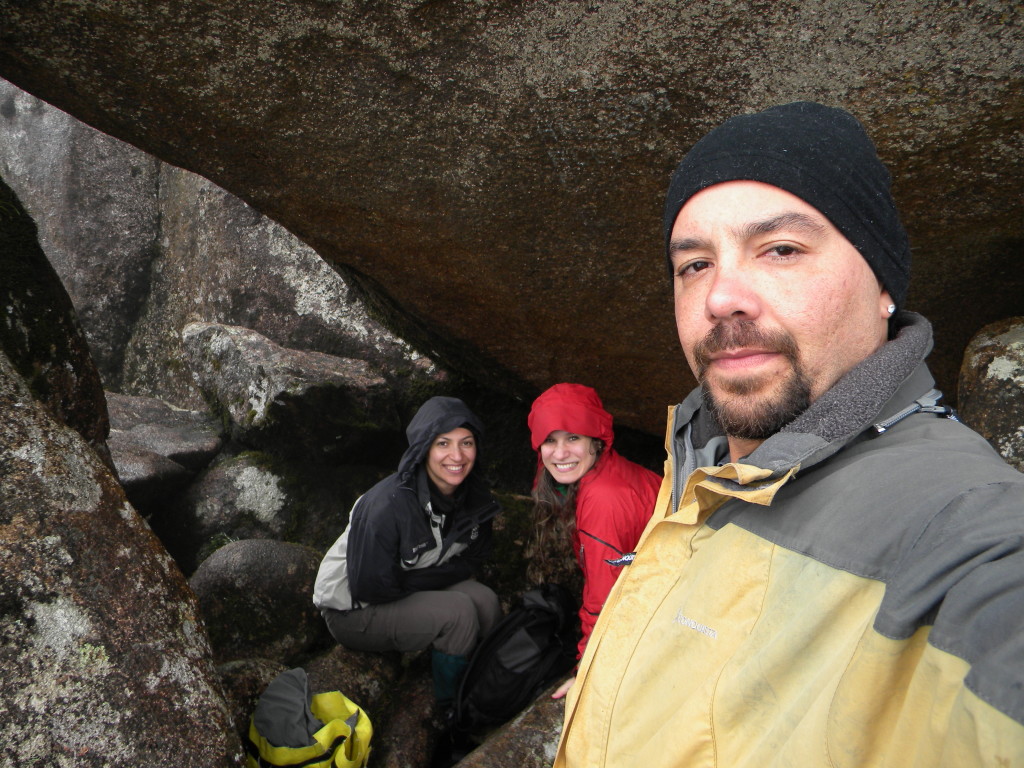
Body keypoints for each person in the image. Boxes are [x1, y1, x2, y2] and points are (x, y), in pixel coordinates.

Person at [555, 102, 1024, 766]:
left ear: (882, 283)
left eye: (780, 249)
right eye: (694, 264)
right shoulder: (698, 458)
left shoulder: (968, 532)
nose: (722, 297)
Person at [313, 396, 501, 705]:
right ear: (424, 448)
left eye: (466, 443)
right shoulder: (386, 506)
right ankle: (452, 710)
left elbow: (475, 558)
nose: (457, 455)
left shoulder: (474, 496)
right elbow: (369, 586)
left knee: (485, 600)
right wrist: (435, 580)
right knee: (459, 613)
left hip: (407, 583)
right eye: (443, 443)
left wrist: (429, 579)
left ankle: (492, 682)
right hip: (352, 609)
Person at [527, 382, 660, 699]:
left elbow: (606, 598)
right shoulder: (602, 471)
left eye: (573, 437)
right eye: (549, 440)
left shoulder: (603, 501)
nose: (560, 453)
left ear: (596, 442)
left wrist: (588, 670)